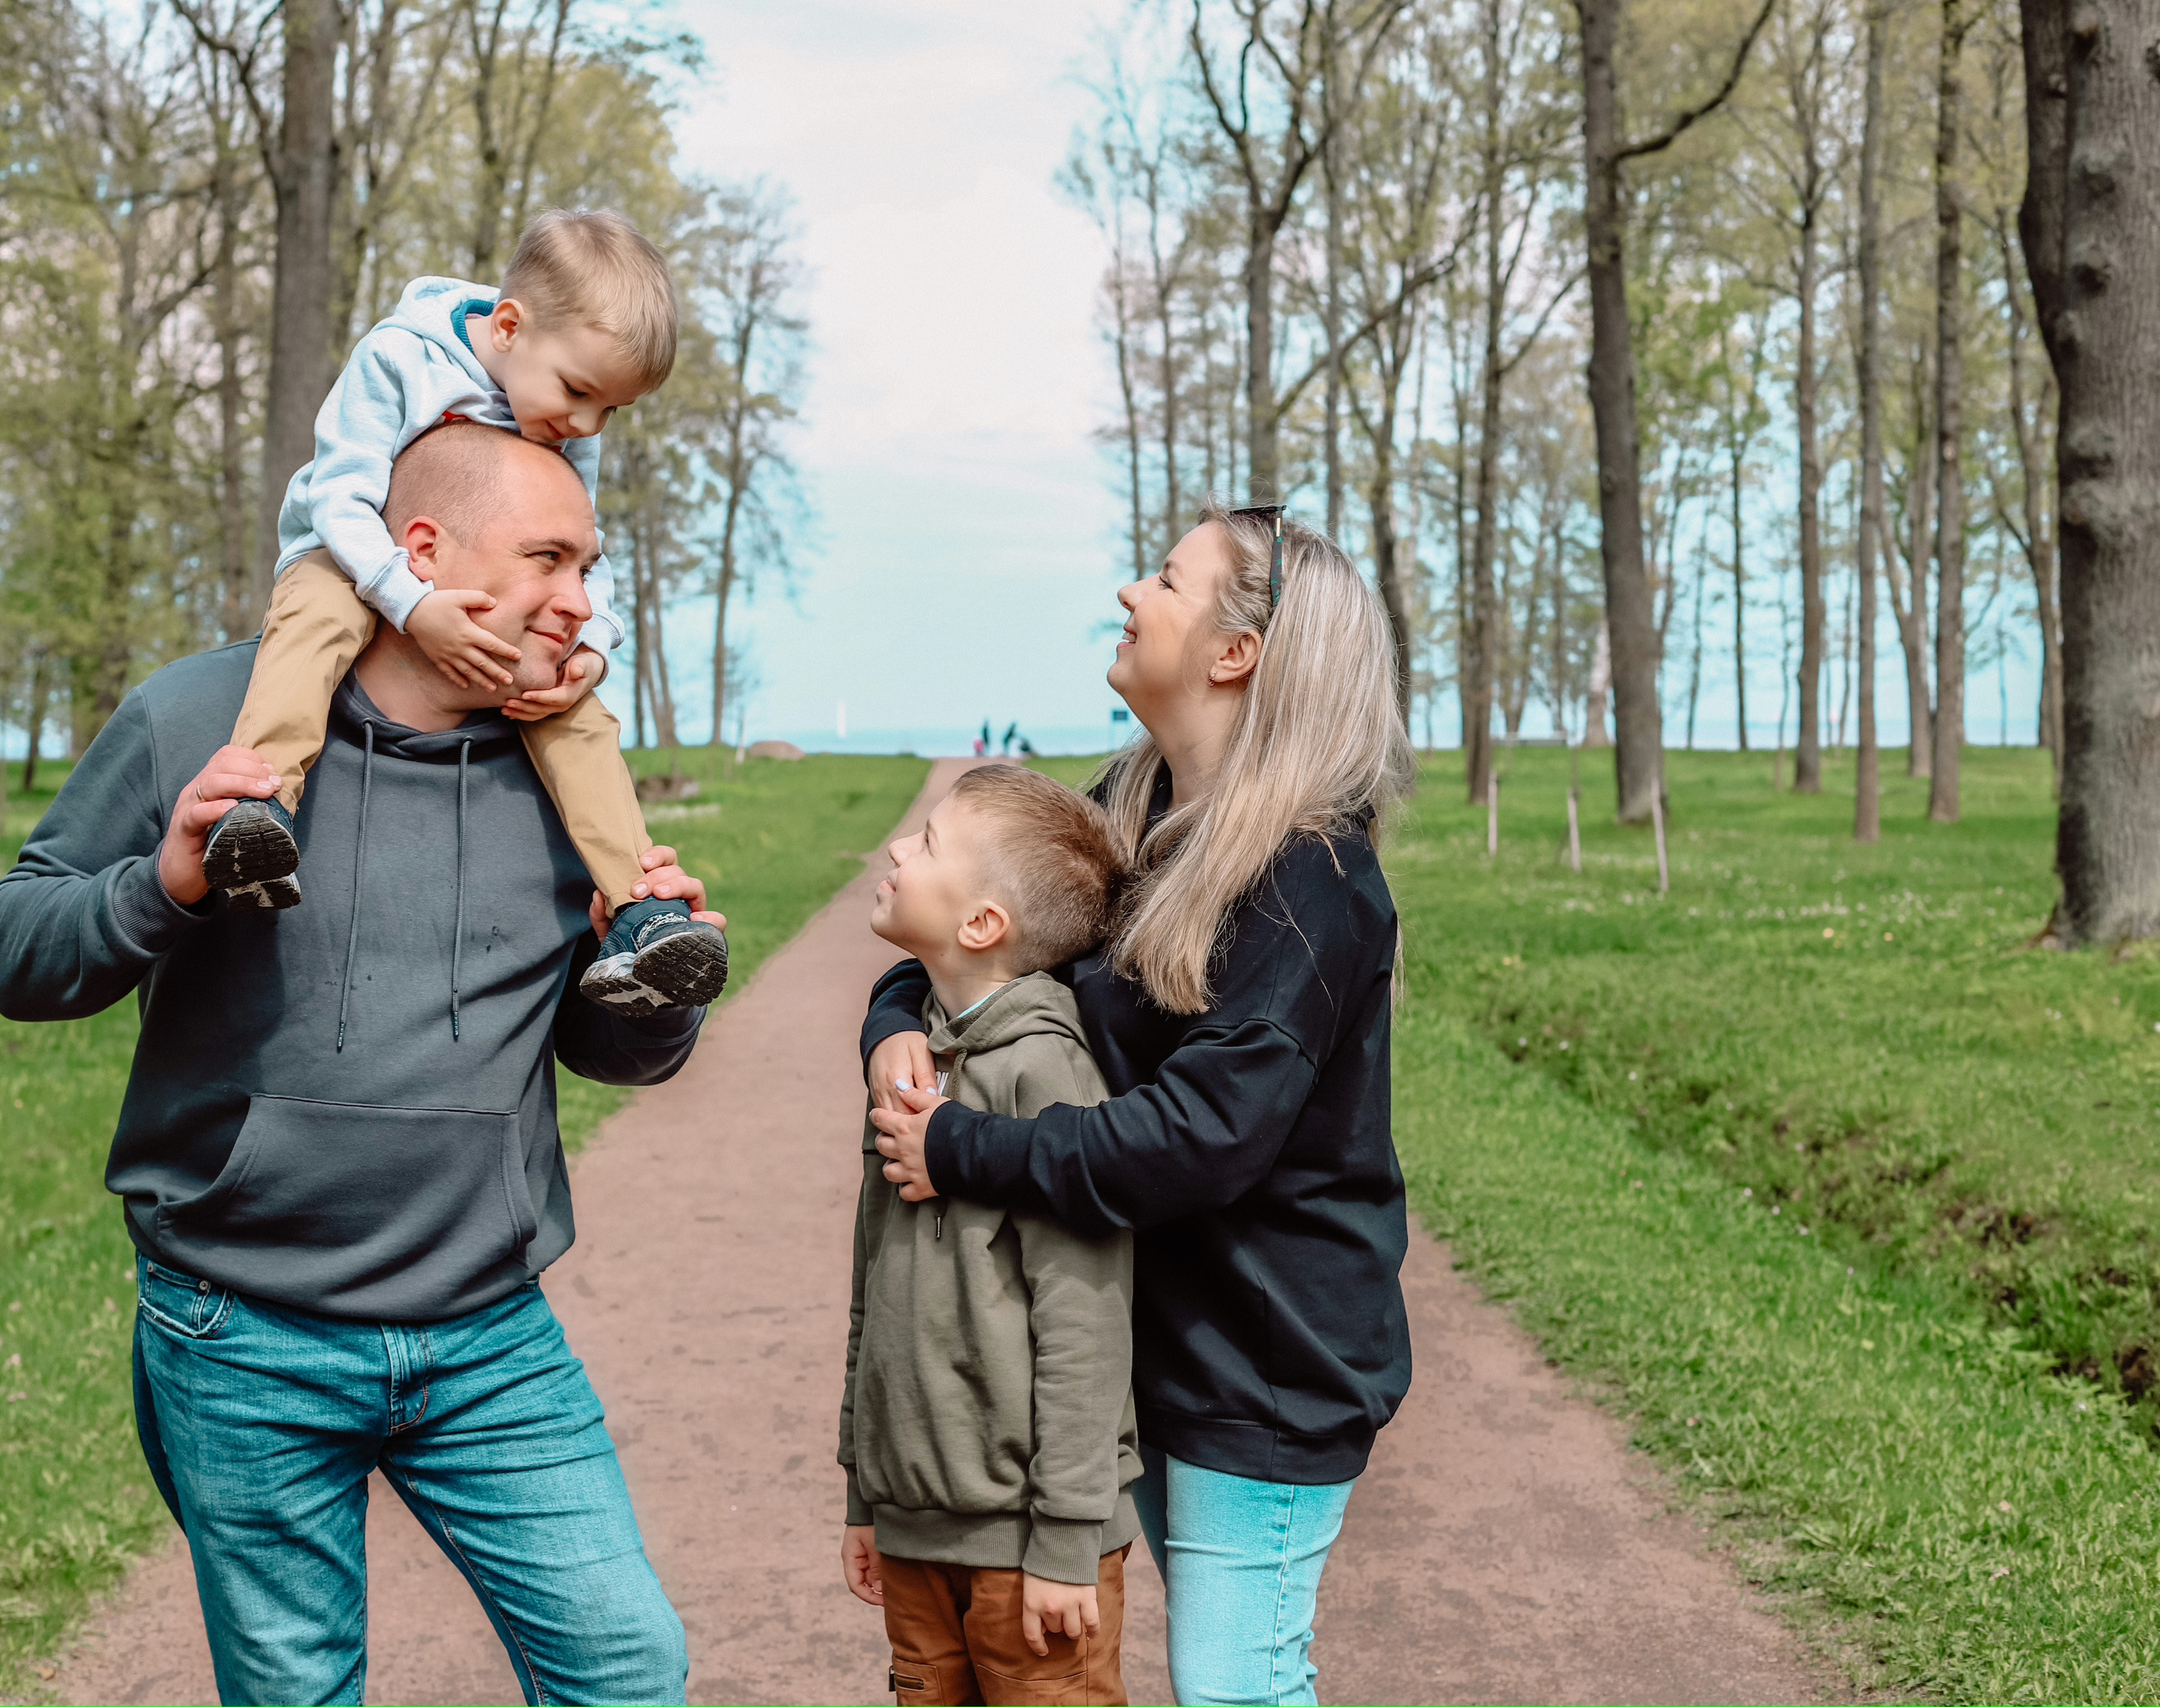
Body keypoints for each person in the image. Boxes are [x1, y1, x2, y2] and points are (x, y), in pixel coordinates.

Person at [0, 425, 716, 1706]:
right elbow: (20, 953)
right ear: (420, 552)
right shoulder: (204, 715)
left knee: (629, 1669)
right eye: (548, 557)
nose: (581, 599)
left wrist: (650, 996)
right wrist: (165, 882)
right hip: (241, 1332)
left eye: (589, 565)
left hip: (488, 1334)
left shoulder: (567, 765)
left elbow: (601, 1048)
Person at [862, 505, 1412, 1707]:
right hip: (1134, 1339)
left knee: (1237, 1688)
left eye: (1167, 579)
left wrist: (962, 1149)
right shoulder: (1134, 799)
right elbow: (993, 920)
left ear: (1234, 652)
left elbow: (1199, 1141)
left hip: (1261, 1365)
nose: (1129, 593)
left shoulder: (1311, 882)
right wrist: (895, 1019)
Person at [206, 206, 728, 1015]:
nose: (586, 426)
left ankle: (642, 911)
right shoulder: (399, 357)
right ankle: (256, 809)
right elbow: (341, 496)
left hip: (466, 589)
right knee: (318, 621)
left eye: (611, 413)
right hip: (349, 555)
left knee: (569, 707)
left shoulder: (558, 398)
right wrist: (412, 606)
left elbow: (585, 537)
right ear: (510, 327)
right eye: (581, 395)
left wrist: (592, 645)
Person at [838, 766, 1137, 1707]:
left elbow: (1087, 1320)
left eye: (926, 844)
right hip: (914, 1530)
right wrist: (864, 1494)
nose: (897, 848)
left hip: (1031, 1553)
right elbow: (873, 1290)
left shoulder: (1049, 1073)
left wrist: (1066, 1538)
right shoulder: (910, 1058)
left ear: (982, 924)